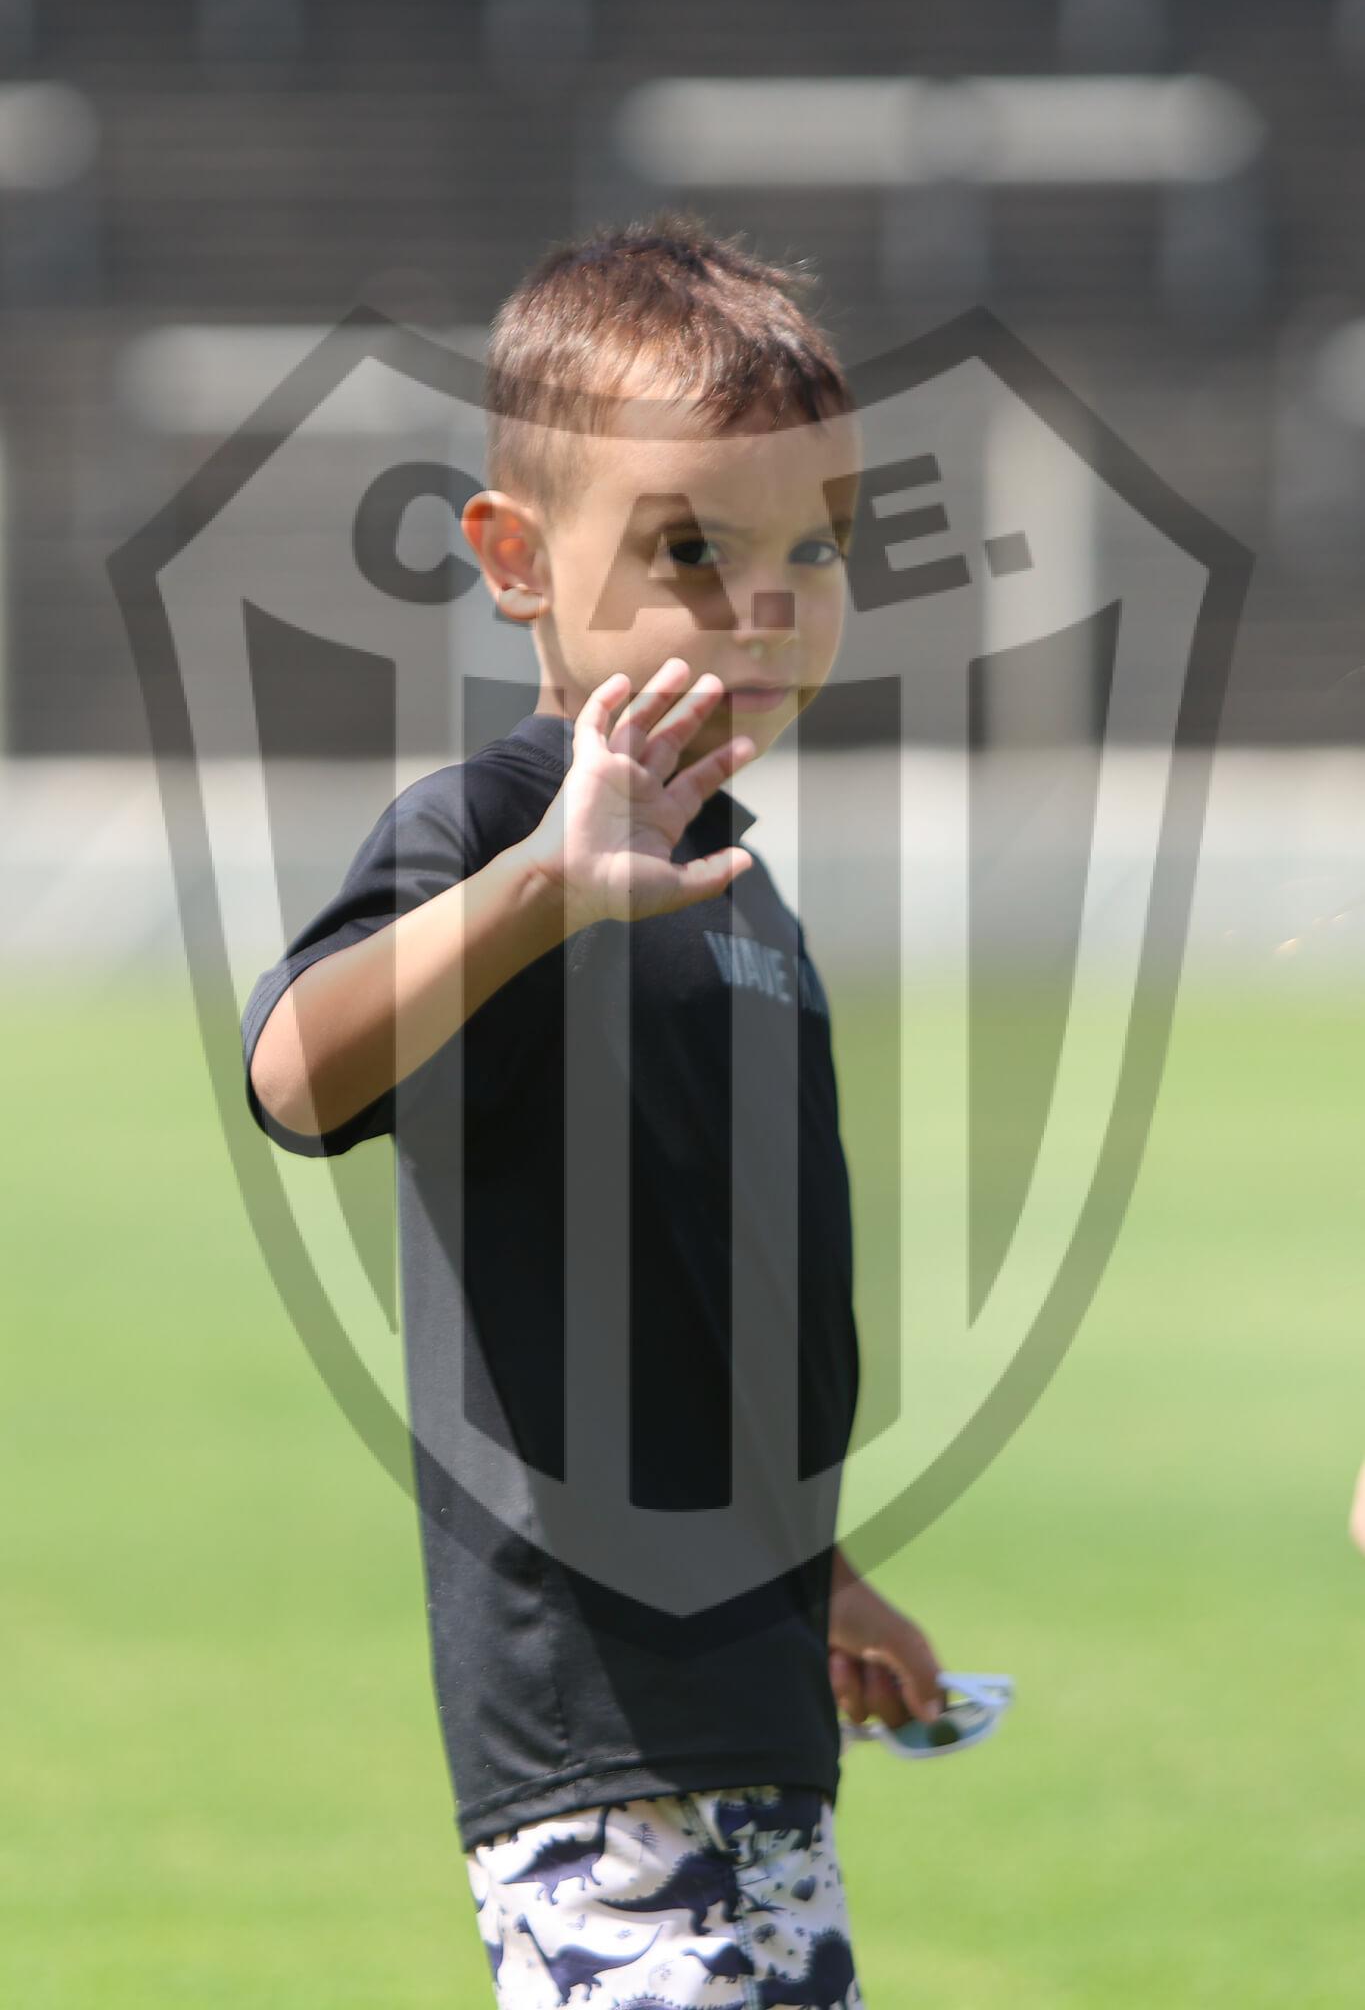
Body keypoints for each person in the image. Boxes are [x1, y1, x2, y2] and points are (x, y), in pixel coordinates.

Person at [242, 211, 945, 2009]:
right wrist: (541, 889)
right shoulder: (495, 826)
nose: (769, 601)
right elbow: (295, 1074)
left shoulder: (739, 892)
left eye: (817, 545)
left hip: (744, 1692)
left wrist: (819, 1576)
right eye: (691, 547)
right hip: (598, 1718)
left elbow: (706, 1301)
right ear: (515, 557)